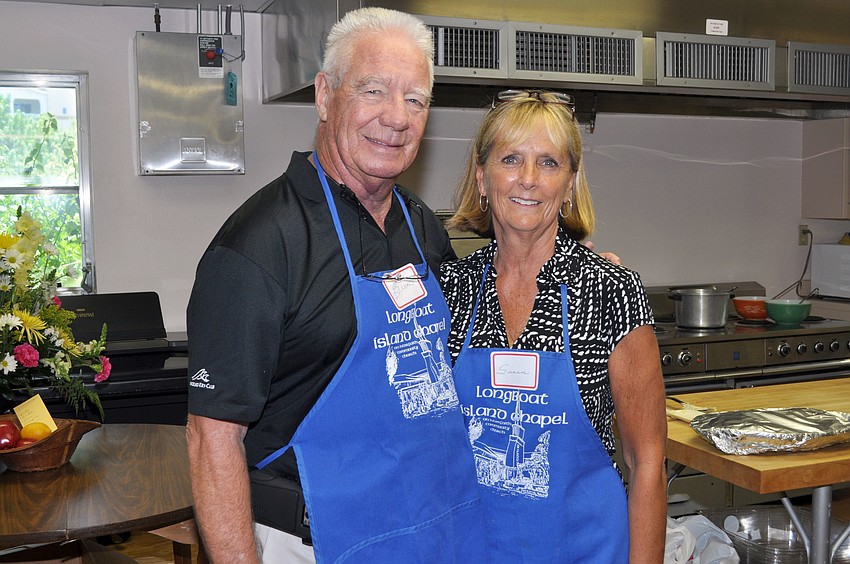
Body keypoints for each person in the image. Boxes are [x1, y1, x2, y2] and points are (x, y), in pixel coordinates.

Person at [185, 8, 484, 563]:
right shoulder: (258, 245)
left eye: (416, 100)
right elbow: (212, 440)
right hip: (312, 540)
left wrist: (568, 267)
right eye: (373, 91)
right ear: (325, 96)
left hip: (424, 529)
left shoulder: (421, 226)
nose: (397, 118)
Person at [441, 89, 668, 563]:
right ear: (482, 178)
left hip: (586, 550)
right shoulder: (452, 289)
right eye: (510, 159)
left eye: (548, 163)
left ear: (570, 185)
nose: (527, 180)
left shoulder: (611, 290)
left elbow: (646, 463)